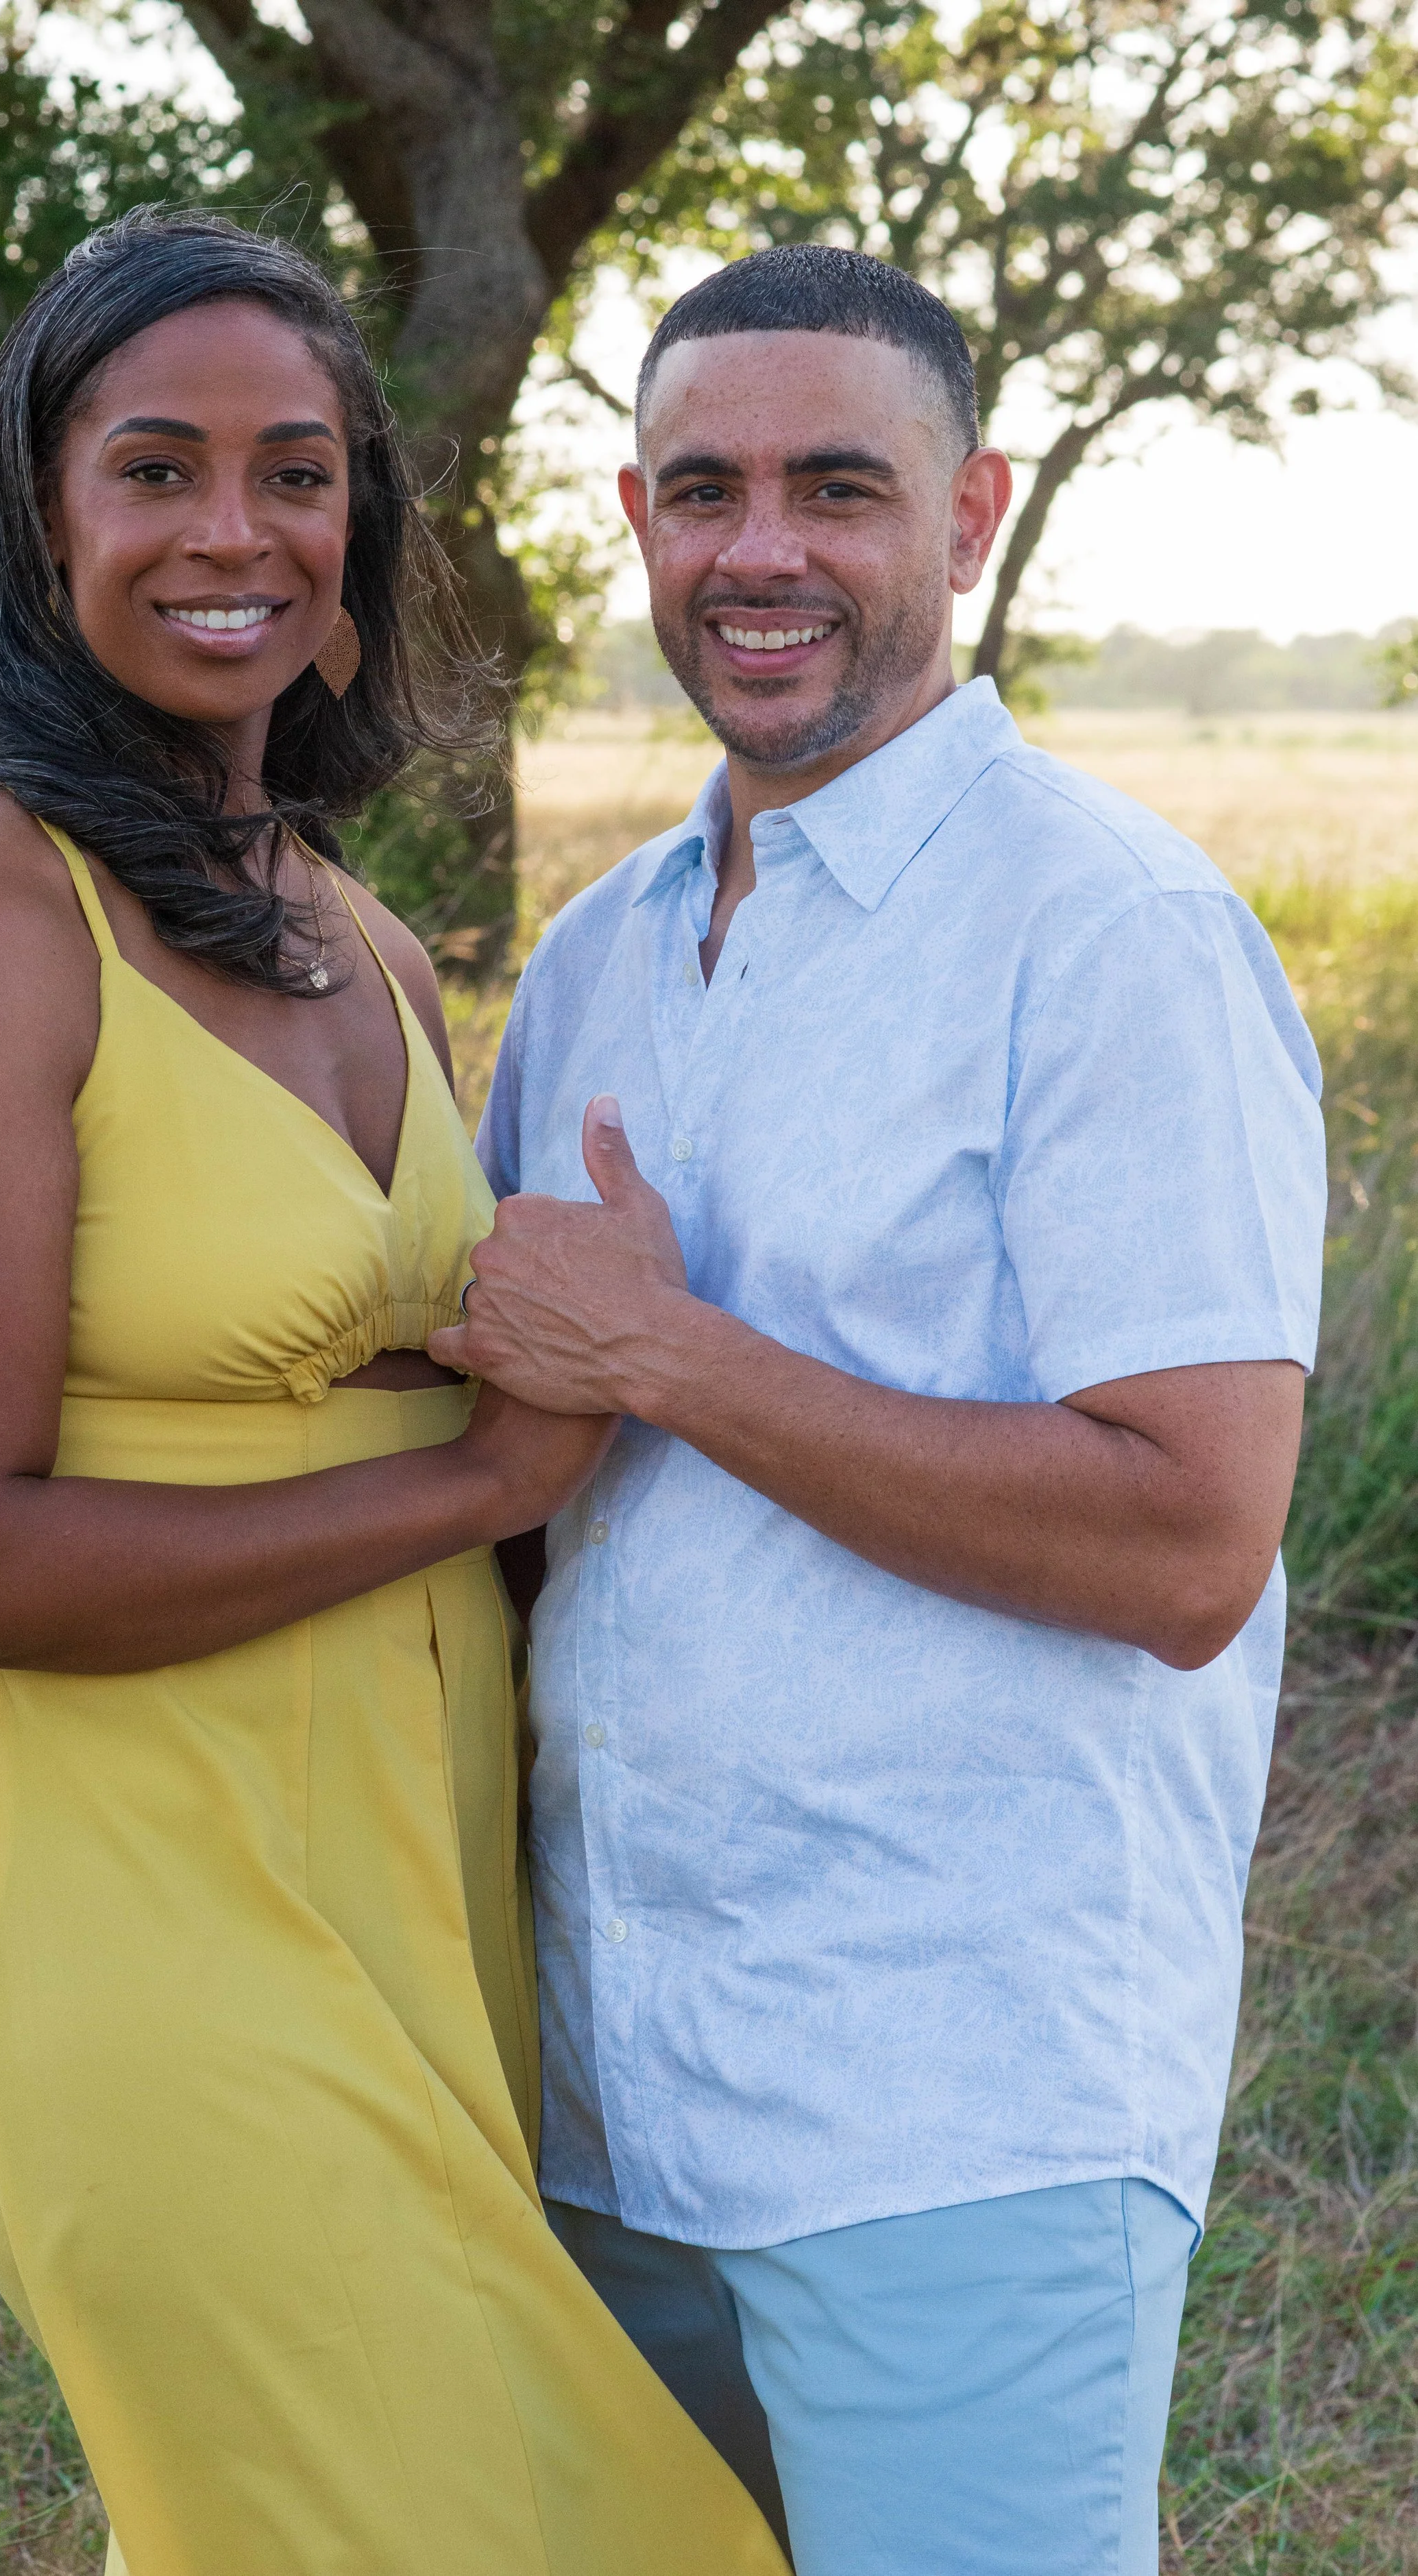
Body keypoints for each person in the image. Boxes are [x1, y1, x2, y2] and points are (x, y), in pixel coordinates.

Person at [0, 212, 788, 2576]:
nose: (233, 530)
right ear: (40, 526)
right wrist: (477, 1480)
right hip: (123, 1896)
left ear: (359, 535)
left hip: (404, 1866)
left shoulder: (336, 915)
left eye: (296, 471)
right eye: (154, 469)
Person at [432, 244, 1328, 2575]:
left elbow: (1182, 1541)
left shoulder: (1106, 932)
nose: (761, 550)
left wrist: (679, 1360)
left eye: (839, 488)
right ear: (631, 519)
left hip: (959, 2102)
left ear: (969, 516)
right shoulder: (610, 946)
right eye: (703, 488)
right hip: (609, 2091)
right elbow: (529, 1464)